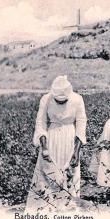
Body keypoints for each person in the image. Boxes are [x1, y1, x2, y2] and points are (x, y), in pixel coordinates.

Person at [26, 75, 87, 211]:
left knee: (69, 173)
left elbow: (81, 124)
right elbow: (41, 123)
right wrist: (44, 147)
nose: (60, 103)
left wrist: (76, 152)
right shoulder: (46, 99)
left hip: (69, 139)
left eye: (63, 101)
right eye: (57, 101)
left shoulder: (77, 99)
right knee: (46, 172)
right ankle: (46, 208)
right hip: (51, 137)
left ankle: (68, 207)